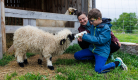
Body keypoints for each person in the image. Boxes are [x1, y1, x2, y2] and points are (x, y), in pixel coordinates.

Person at [74, 8, 127, 73]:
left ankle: (117, 63)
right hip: (92, 49)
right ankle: (96, 59)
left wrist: (85, 36)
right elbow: (92, 36)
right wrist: (83, 36)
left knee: (98, 70)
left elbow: (99, 40)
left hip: (101, 52)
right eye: (90, 20)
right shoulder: (94, 25)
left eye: (92, 20)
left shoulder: (106, 28)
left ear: (99, 19)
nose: (90, 22)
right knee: (77, 55)